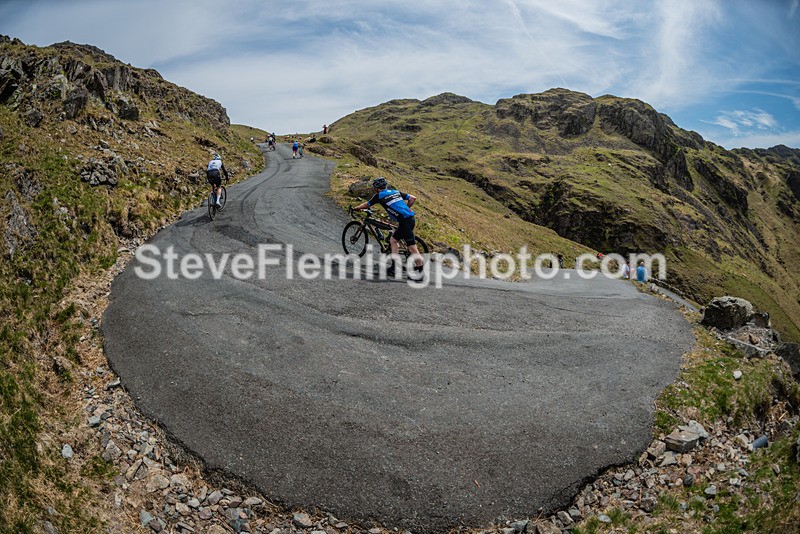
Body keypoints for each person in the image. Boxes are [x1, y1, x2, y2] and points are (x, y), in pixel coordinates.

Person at [353, 177, 423, 280]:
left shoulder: (379, 196)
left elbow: (367, 205)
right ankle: (393, 268)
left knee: (412, 247)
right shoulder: (395, 192)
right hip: (409, 219)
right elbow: (412, 198)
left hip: (405, 221)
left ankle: (421, 272)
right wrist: (407, 209)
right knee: (393, 240)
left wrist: (357, 208)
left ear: (376, 188)